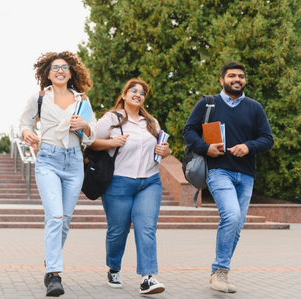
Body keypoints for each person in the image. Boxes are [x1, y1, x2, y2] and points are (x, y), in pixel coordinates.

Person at [183, 62, 273, 293]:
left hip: (246, 174)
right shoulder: (207, 103)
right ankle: (221, 271)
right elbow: (189, 131)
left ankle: (216, 273)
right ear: (222, 80)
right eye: (231, 75)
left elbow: (267, 139)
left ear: (245, 80)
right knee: (231, 216)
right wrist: (206, 148)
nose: (237, 79)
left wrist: (249, 146)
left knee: (237, 225)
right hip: (218, 169)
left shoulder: (255, 108)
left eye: (241, 76)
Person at [19, 51, 96, 297]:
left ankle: (51, 259)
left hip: (74, 162)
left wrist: (84, 126)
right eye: (55, 68)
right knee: (54, 217)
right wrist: (26, 133)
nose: (60, 71)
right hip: (48, 161)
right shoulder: (39, 97)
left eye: (64, 67)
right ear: (47, 73)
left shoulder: (82, 100)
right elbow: (25, 123)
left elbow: (92, 133)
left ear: (71, 72)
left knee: (64, 220)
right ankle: (54, 274)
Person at [89, 78, 170, 295]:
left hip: (150, 182)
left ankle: (148, 278)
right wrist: (112, 143)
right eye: (133, 90)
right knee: (118, 230)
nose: (138, 94)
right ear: (124, 95)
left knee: (146, 228)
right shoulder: (111, 119)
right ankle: (114, 268)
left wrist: (166, 152)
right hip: (119, 182)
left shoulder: (151, 122)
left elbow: (161, 148)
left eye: (142, 92)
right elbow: (90, 142)